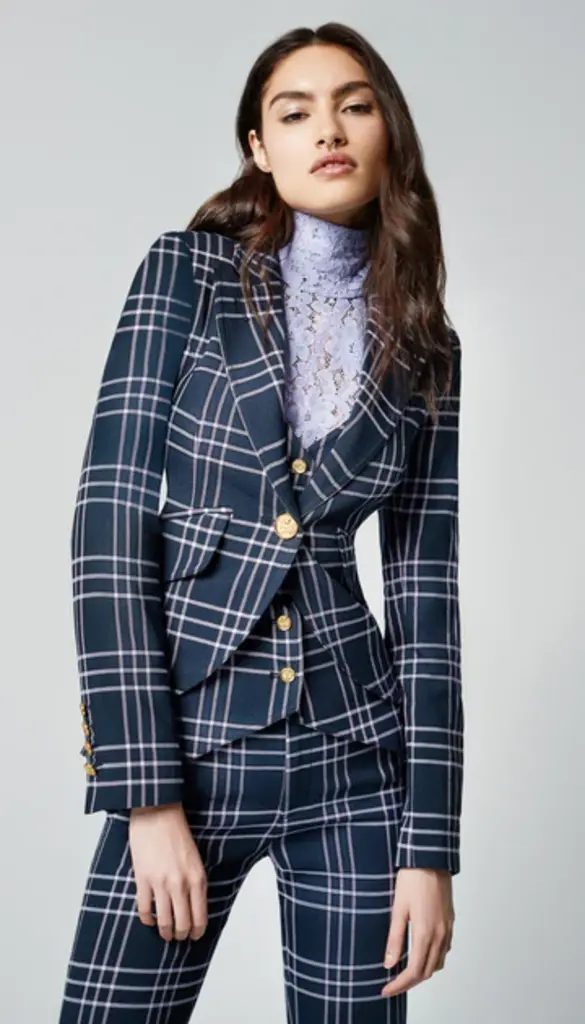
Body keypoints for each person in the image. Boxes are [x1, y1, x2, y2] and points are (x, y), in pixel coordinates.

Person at [58, 20, 463, 1024]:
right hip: (191, 746)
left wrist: (430, 849)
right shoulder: (186, 275)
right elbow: (109, 524)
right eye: (295, 112)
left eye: (355, 106)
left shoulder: (427, 345)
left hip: (355, 763)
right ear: (259, 145)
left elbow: (426, 597)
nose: (328, 130)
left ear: (388, 130)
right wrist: (146, 794)